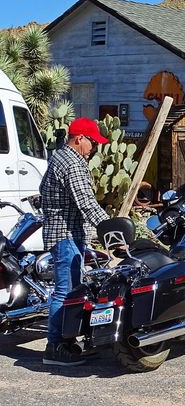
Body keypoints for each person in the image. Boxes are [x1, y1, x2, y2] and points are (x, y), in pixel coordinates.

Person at [40, 117, 110, 366]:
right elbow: (86, 202)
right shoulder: (73, 163)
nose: (94, 148)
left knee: (71, 289)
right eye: (92, 142)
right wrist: (111, 229)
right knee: (66, 291)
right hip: (67, 234)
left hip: (63, 233)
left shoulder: (58, 157)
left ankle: (67, 342)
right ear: (79, 138)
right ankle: (56, 346)